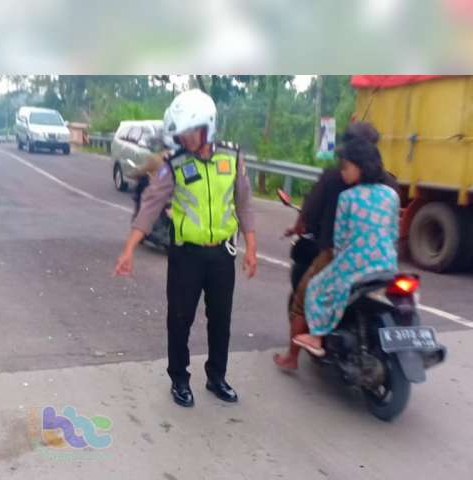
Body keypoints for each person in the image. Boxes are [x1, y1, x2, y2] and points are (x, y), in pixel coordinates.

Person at [113, 89, 258, 407]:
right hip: (186, 256)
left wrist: (251, 247)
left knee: (220, 320)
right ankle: (179, 379)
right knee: (180, 320)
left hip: (222, 255)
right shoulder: (174, 164)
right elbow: (150, 205)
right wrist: (129, 250)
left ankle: (217, 377)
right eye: (182, 134)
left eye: (191, 132)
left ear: (208, 126)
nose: (186, 139)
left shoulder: (231, 157)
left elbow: (244, 202)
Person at [274, 122, 398, 370]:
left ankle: (293, 356)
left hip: (342, 255)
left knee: (307, 294)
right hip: (386, 260)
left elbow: (322, 223)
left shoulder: (337, 181)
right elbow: (394, 229)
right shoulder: (390, 186)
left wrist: (300, 226)